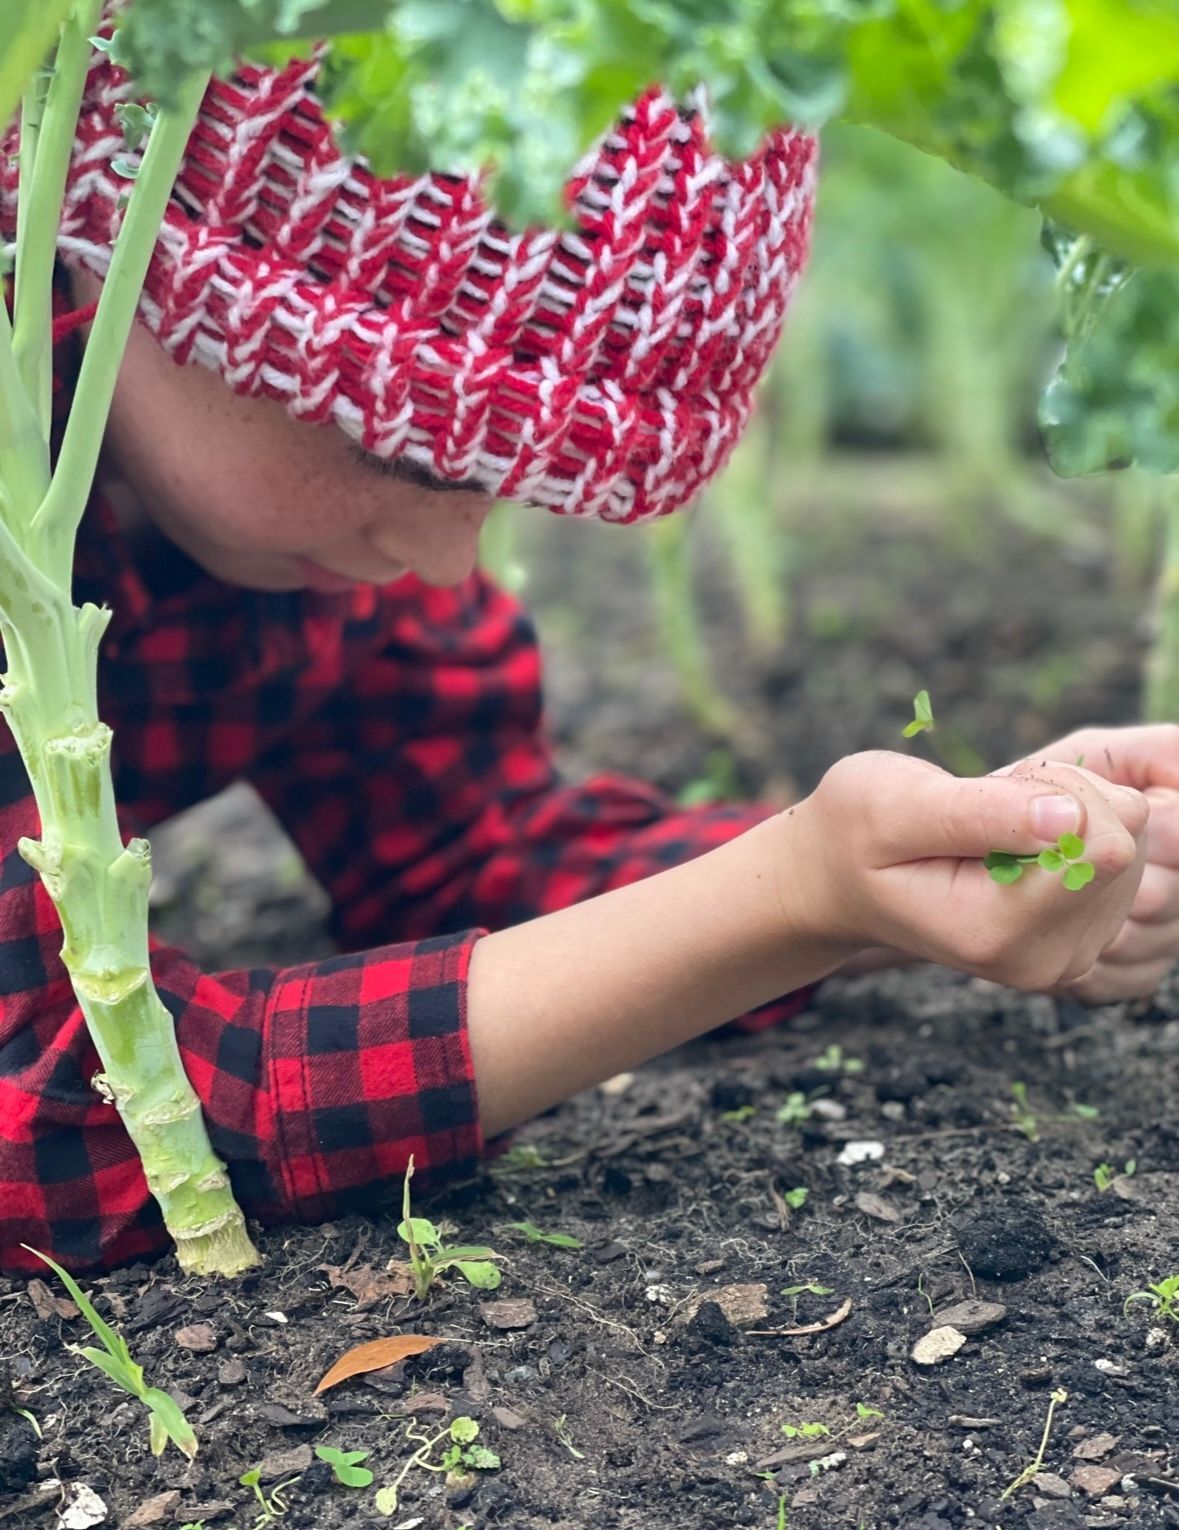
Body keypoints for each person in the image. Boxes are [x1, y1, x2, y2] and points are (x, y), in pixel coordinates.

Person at [1, 46, 1177, 1276]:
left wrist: (906, 877)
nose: (449, 559)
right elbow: (42, 1120)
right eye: (409, 461)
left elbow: (475, 851)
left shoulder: (308, 547)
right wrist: (786, 893)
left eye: (498, 482)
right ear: (145, 243)